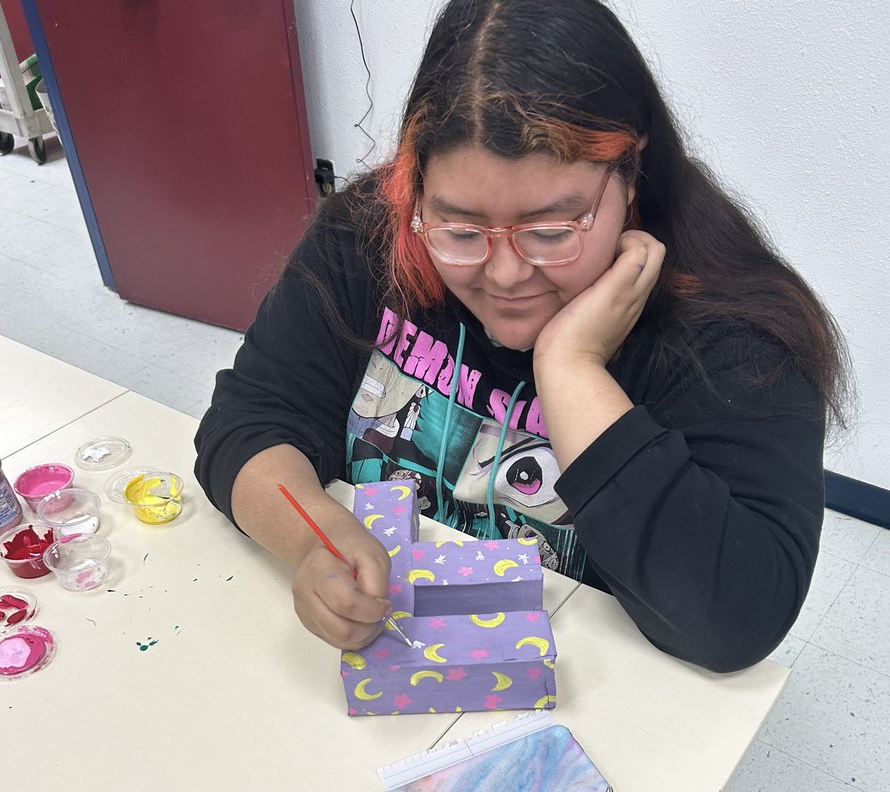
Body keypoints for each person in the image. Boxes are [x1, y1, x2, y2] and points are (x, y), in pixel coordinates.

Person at [194, 0, 850, 673]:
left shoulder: (733, 335)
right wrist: (316, 540)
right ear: (415, 189)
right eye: (459, 230)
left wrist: (570, 368)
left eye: (551, 231)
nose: (505, 274)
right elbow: (249, 421)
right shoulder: (366, 238)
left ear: (632, 176)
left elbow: (739, 619)